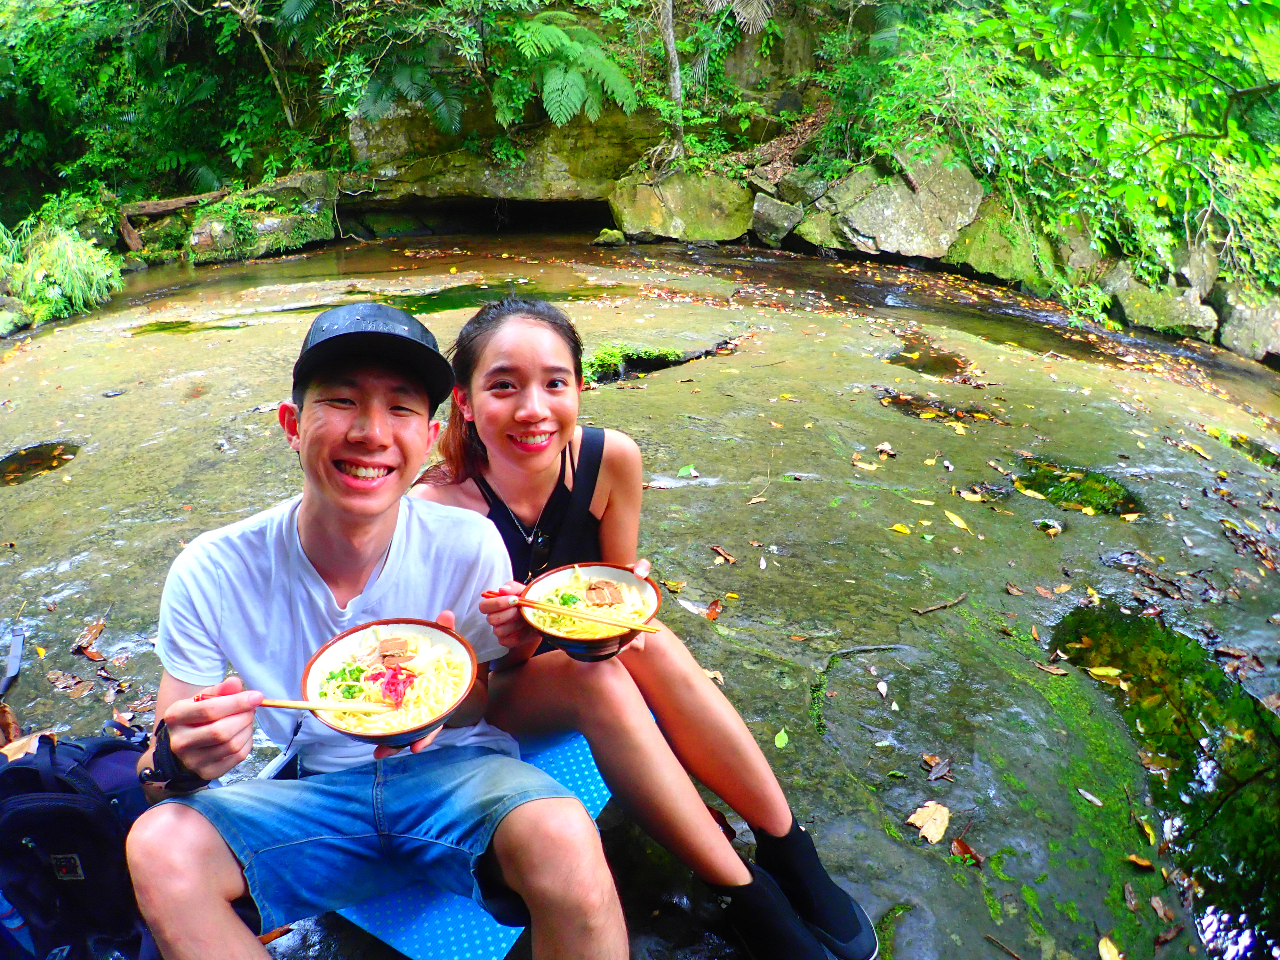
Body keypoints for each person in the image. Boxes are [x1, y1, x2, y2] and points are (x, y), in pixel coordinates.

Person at [125, 303, 627, 960]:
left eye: (400, 409)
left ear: (429, 436)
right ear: (291, 424)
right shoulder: (212, 572)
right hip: (316, 799)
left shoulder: (468, 544)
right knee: (158, 845)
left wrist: (447, 693)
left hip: (457, 775)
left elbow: (485, 699)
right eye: (340, 401)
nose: (370, 432)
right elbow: (156, 777)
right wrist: (181, 758)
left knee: (566, 836)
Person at [412, 297, 879, 960]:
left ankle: (786, 845)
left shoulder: (611, 460)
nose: (533, 409)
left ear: (580, 387)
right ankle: (743, 892)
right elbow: (454, 688)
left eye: (554, 382)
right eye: (504, 385)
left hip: (576, 655)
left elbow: (614, 607)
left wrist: (620, 619)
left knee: (650, 644)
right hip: (494, 697)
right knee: (594, 678)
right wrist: (514, 643)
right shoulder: (436, 510)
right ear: (464, 400)